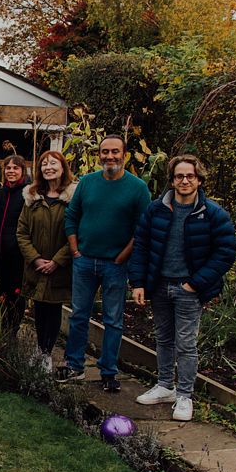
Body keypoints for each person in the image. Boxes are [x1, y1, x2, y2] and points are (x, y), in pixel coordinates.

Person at [131, 155, 236, 421]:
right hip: (159, 286)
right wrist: (139, 283)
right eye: (179, 176)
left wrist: (194, 284)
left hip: (188, 289)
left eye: (190, 176)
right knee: (163, 339)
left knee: (186, 344)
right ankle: (165, 386)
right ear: (173, 179)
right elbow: (142, 246)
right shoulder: (156, 210)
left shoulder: (212, 213)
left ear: (199, 179)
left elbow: (224, 253)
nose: (185, 180)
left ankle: (185, 396)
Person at [58, 135, 152, 392]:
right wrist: (75, 250)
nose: (109, 156)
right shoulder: (87, 183)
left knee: (113, 320)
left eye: (115, 152)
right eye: (104, 152)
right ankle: (74, 366)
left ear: (124, 155)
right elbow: (72, 216)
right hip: (84, 261)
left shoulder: (137, 187)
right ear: (99, 154)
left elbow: (142, 228)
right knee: (78, 316)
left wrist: (123, 256)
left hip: (115, 264)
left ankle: (108, 372)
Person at [16, 150, 76, 368]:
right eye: (44, 164)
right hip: (37, 266)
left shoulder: (72, 198)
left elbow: (78, 232)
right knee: (38, 309)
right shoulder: (32, 197)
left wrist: (58, 260)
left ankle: (47, 354)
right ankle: (39, 350)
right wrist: (35, 259)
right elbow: (22, 231)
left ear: (63, 167)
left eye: (53, 163)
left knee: (53, 309)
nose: (48, 167)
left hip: (59, 267)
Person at [0, 155, 29, 328]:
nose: (11, 171)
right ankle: (4, 326)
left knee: (16, 294)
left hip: (17, 255)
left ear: (22, 171)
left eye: (15, 168)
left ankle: (13, 330)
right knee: (3, 292)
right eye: (8, 168)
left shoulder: (28, 194)